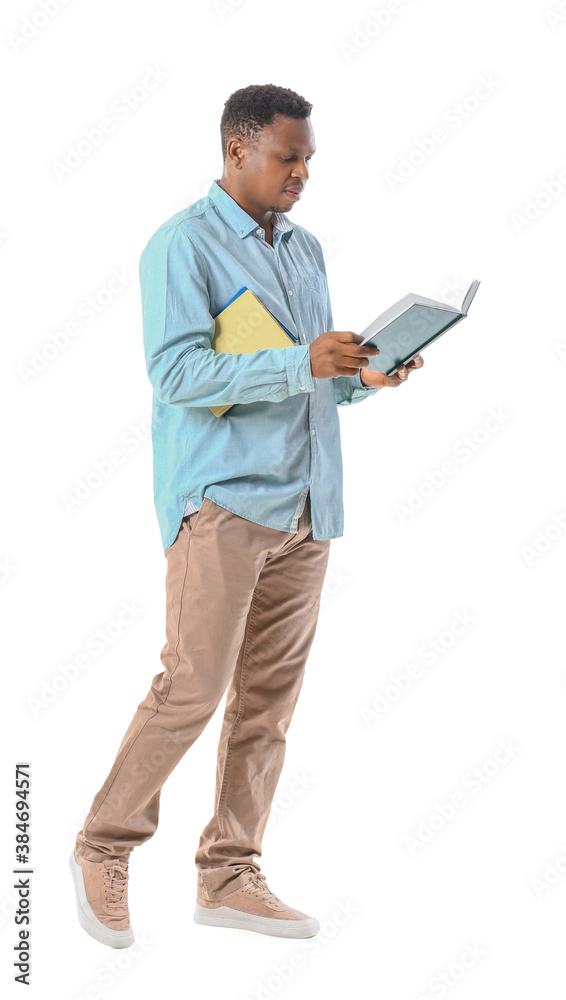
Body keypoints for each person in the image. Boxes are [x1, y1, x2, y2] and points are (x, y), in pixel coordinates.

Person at [69, 82, 424, 949]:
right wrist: (305, 361)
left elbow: (307, 381)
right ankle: (101, 844)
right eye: (287, 157)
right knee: (190, 689)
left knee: (267, 702)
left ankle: (229, 871)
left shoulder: (305, 251)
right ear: (237, 150)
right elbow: (180, 377)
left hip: (308, 507)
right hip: (224, 504)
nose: (303, 173)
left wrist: (358, 378)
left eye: (309, 160)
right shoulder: (180, 246)